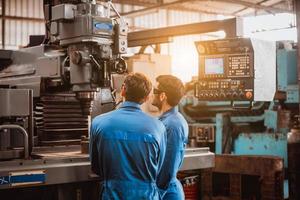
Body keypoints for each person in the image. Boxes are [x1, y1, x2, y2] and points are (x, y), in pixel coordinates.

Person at [90, 72, 168, 200]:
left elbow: (96, 167)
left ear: (123, 90)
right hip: (147, 196)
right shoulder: (158, 127)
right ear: (147, 97)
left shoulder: (99, 123)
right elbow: (160, 168)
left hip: (112, 195)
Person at [152, 75, 188, 200]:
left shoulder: (173, 125)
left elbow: (168, 164)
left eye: (154, 91)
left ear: (163, 96)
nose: (151, 94)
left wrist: (157, 193)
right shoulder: (166, 120)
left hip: (166, 192)